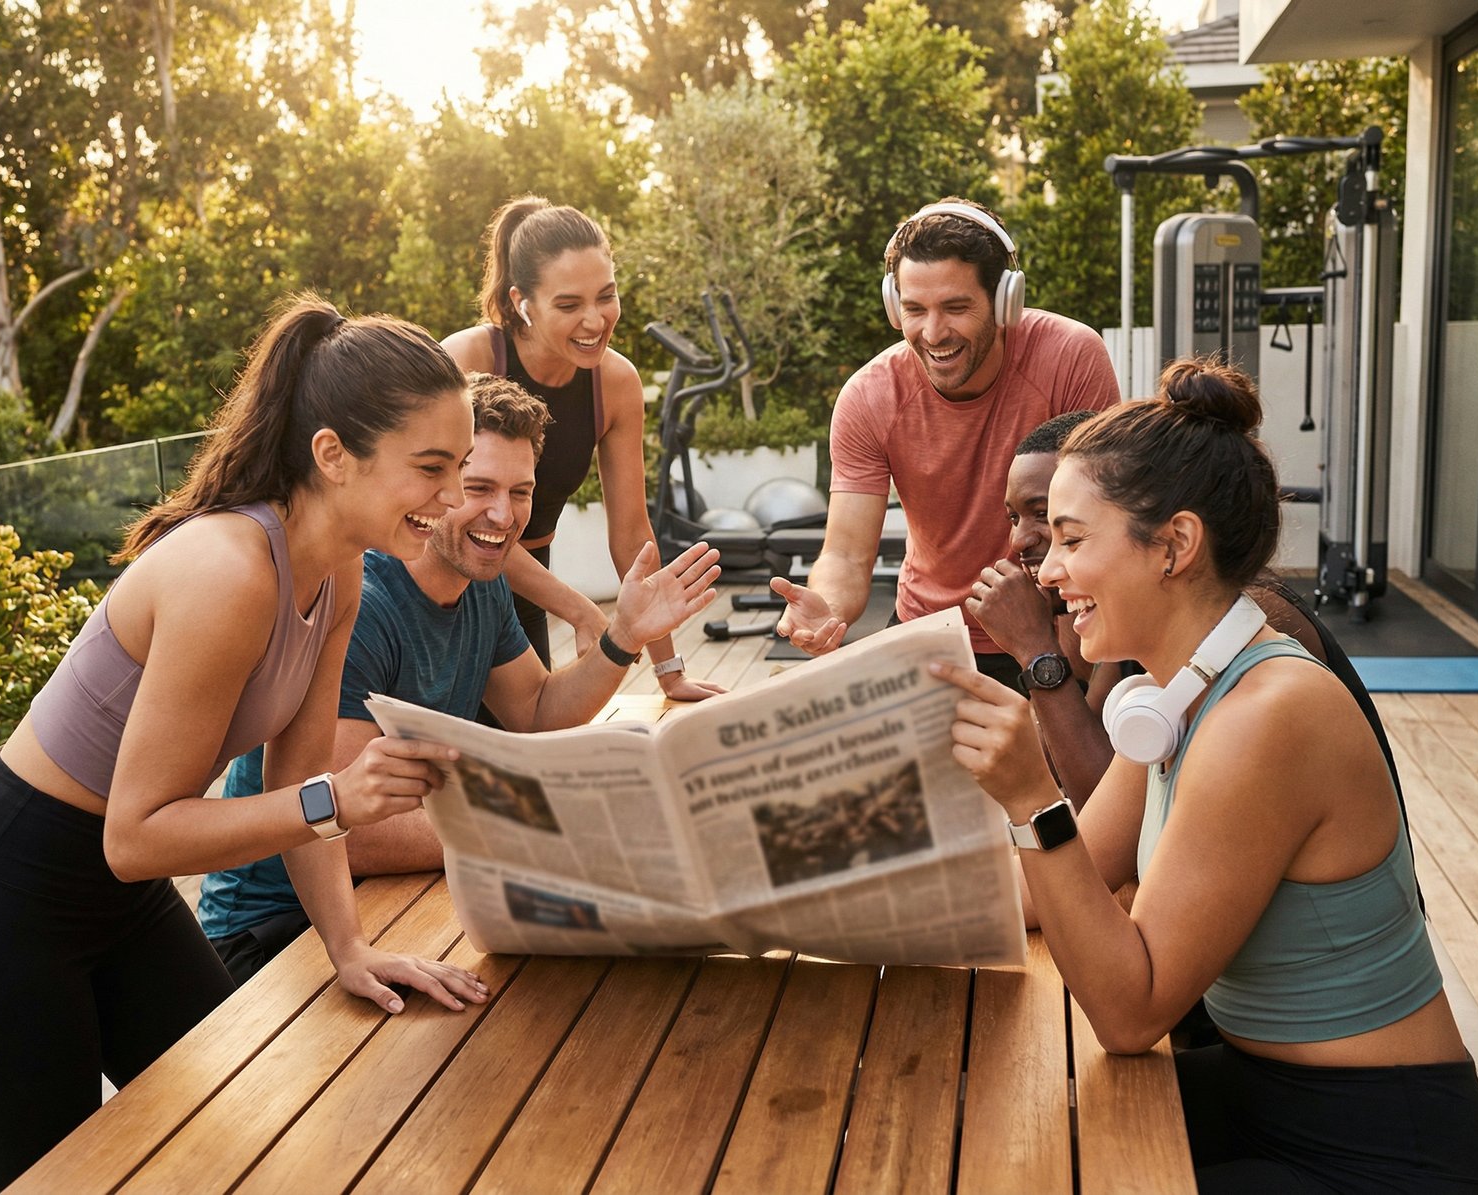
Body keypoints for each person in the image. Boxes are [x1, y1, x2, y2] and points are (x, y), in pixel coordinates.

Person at [0, 296, 493, 1194]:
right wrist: (336, 802)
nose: (455, 499)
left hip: (123, 901)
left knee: (240, 1151)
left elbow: (297, 772)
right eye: (432, 468)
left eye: (460, 466)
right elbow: (138, 834)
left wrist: (347, 947)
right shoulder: (228, 572)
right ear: (334, 455)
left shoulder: (338, 573)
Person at [935, 359, 1478, 1192]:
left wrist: (1033, 800)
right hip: (1262, 1095)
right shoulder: (1187, 689)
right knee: (981, 1124)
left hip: (1380, 1150)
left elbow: (1132, 1013)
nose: (1046, 570)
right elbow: (1063, 884)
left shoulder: (1267, 715)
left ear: (1174, 544)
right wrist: (842, 895)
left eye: (1070, 538)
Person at [198, 373, 721, 981]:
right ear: (438, 485)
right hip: (275, 930)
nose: (503, 514)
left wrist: (622, 638)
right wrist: (539, 831)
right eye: (479, 487)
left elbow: (535, 710)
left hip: (386, 898)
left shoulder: (483, 582)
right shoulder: (362, 601)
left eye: (521, 491)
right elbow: (355, 831)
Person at [970, 407, 1409, 820]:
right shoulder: (1125, 625)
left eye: (1063, 527)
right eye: (1013, 517)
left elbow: (1095, 802)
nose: (1019, 542)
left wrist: (1036, 654)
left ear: (1174, 542)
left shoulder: (1247, 633)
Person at [770, 197, 1121, 687]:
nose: (933, 333)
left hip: (1054, 630)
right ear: (895, 307)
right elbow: (847, 554)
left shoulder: (1071, 357)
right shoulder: (869, 396)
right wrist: (823, 610)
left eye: (956, 308)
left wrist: (1075, 655)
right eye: (914, 310)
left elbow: (1099, 524)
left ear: (1005, 303)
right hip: (930, 633)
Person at [442, 195, 723, 701]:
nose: (595, 321)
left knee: (531, 752)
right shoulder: (466, 358)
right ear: (521, 302)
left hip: (523, 593)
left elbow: (632, 535)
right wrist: (578, 608)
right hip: (443, 583)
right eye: (569, 305)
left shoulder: (615, 383)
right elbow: (440, 510)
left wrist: (670, 672)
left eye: (606, 296)